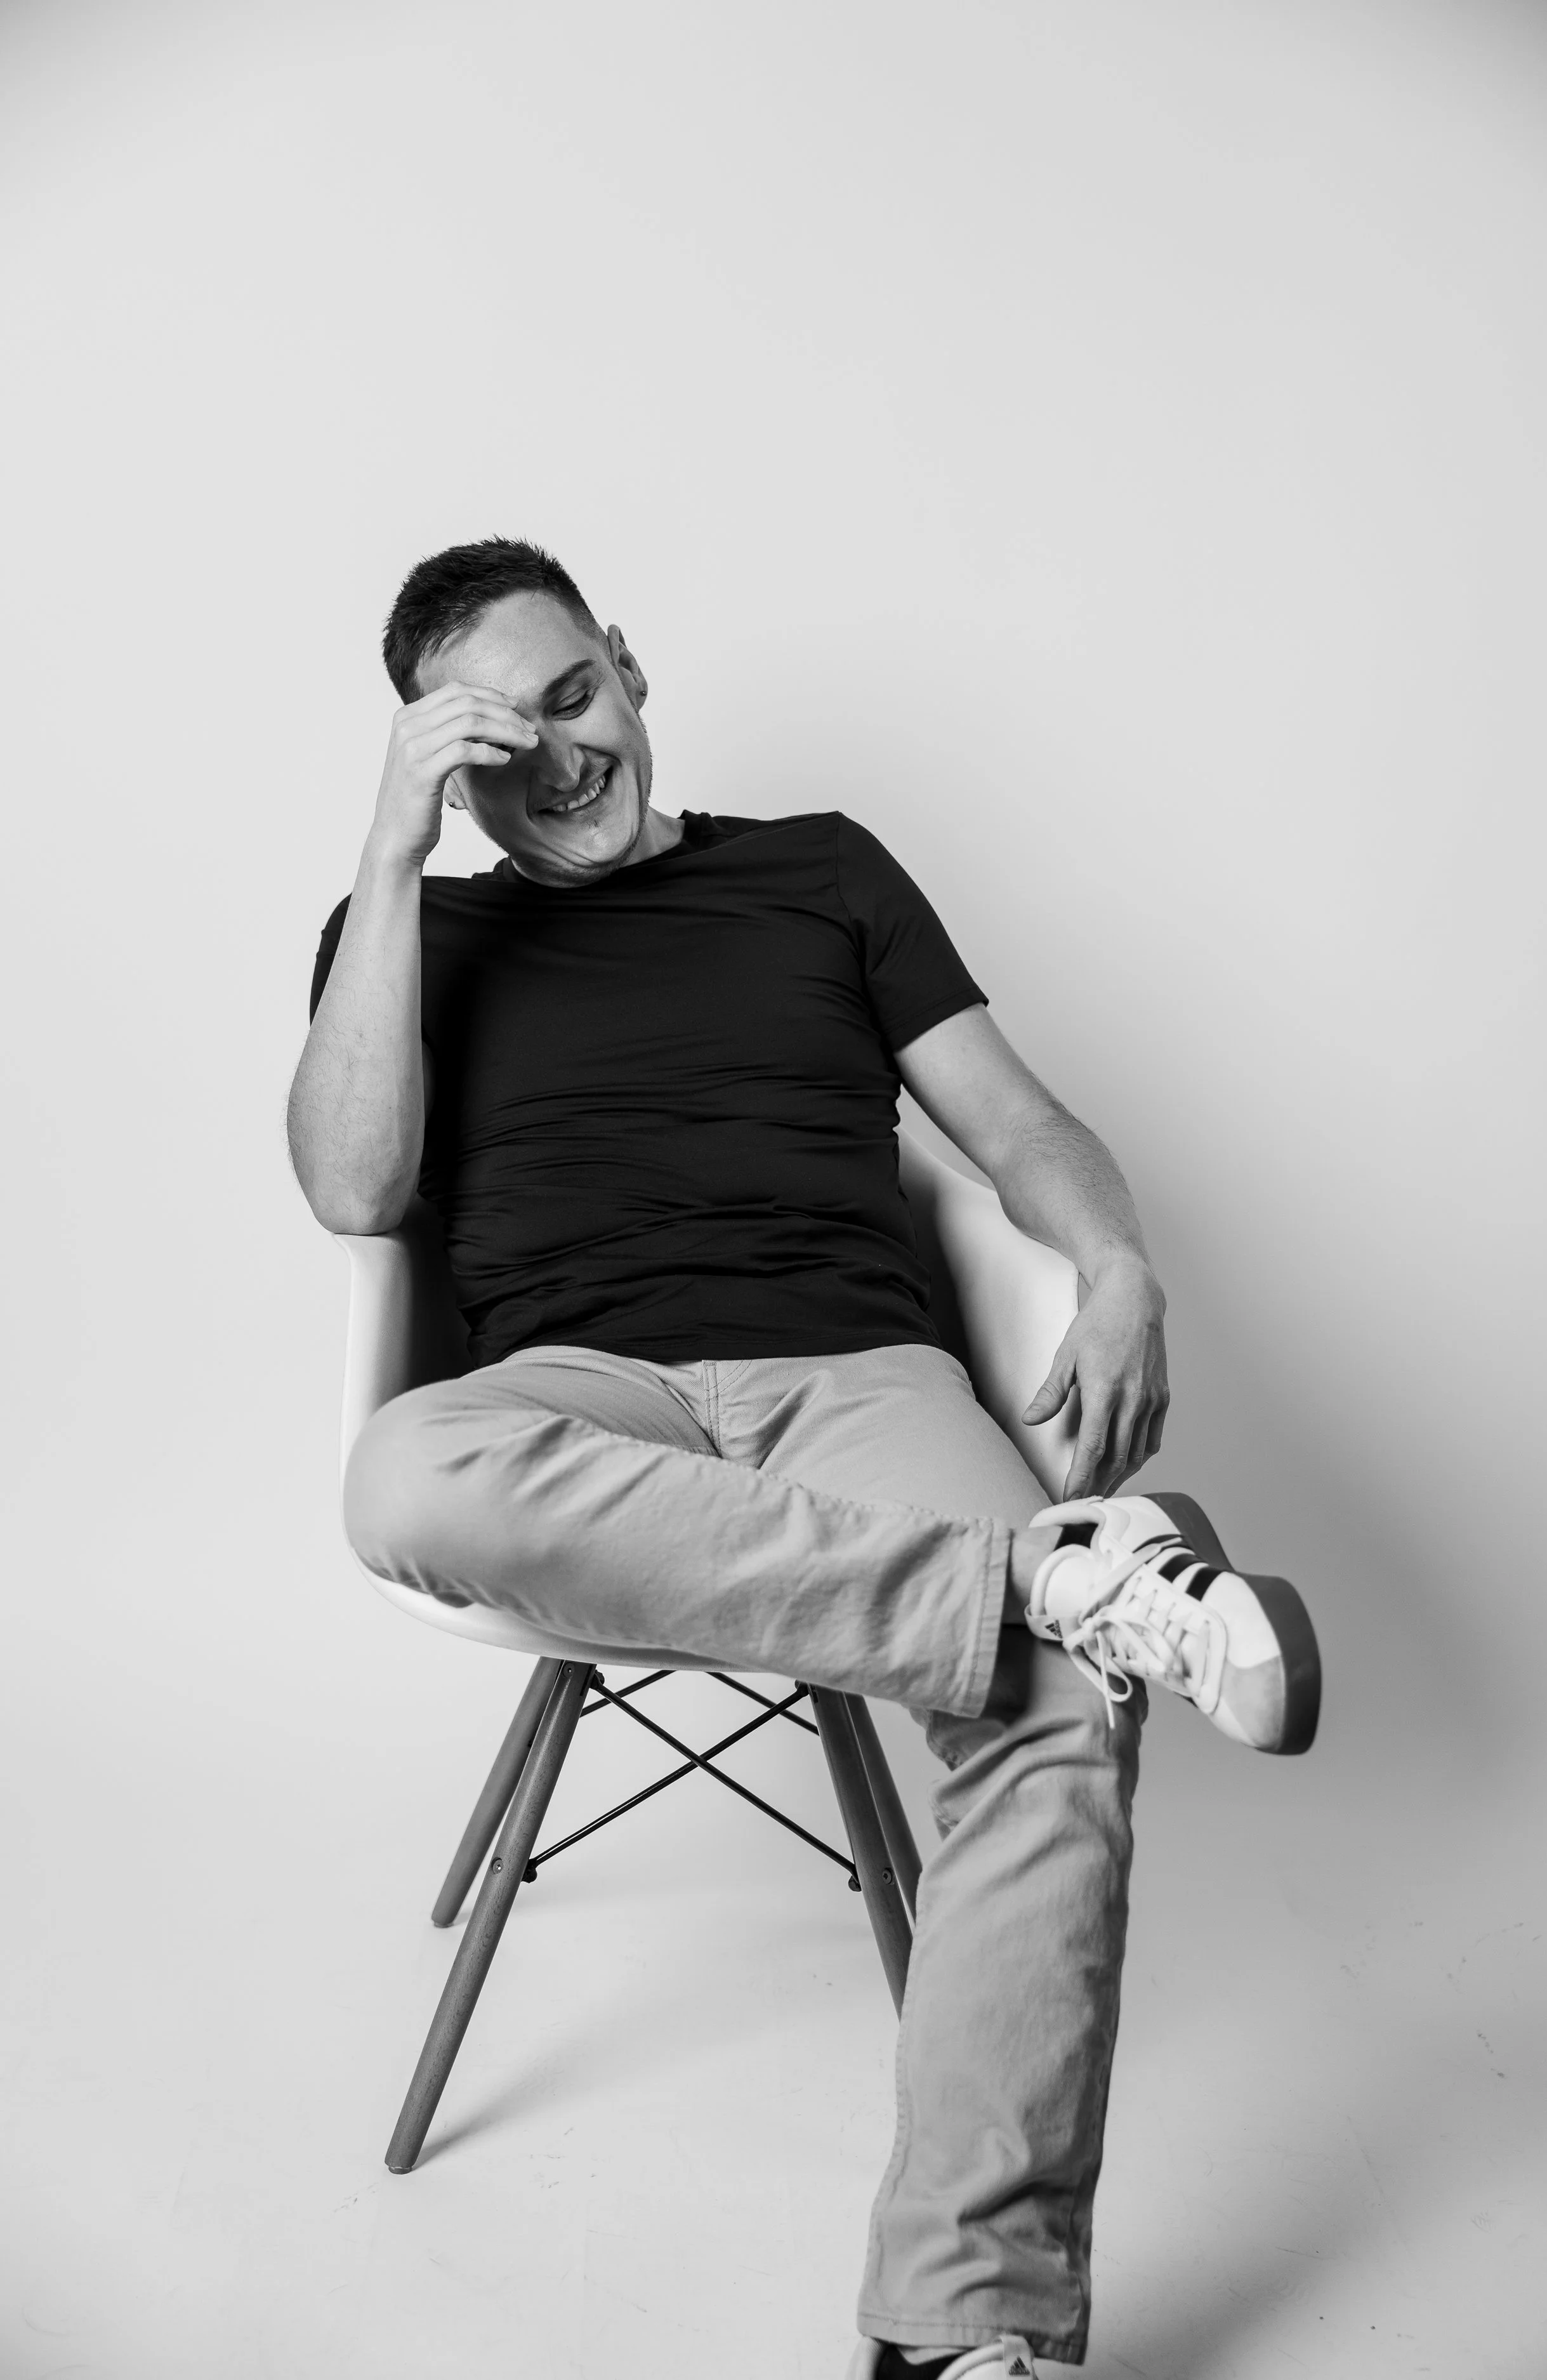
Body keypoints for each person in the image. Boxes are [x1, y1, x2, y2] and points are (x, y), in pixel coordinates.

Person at [287, 538, 1320, 2378]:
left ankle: (961, 2326)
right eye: (494, 747)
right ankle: (1057, 1579)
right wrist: (387, 855)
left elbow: (1016, 1123)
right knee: (399, 1479)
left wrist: (1117, 1264)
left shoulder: (822, 871)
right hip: (578, 1394)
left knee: (1060, 1713)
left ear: (629, 665)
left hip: (859, 1371)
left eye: (574, 697)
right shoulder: (414, 932)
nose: (559, 759)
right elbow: (355, 1189)